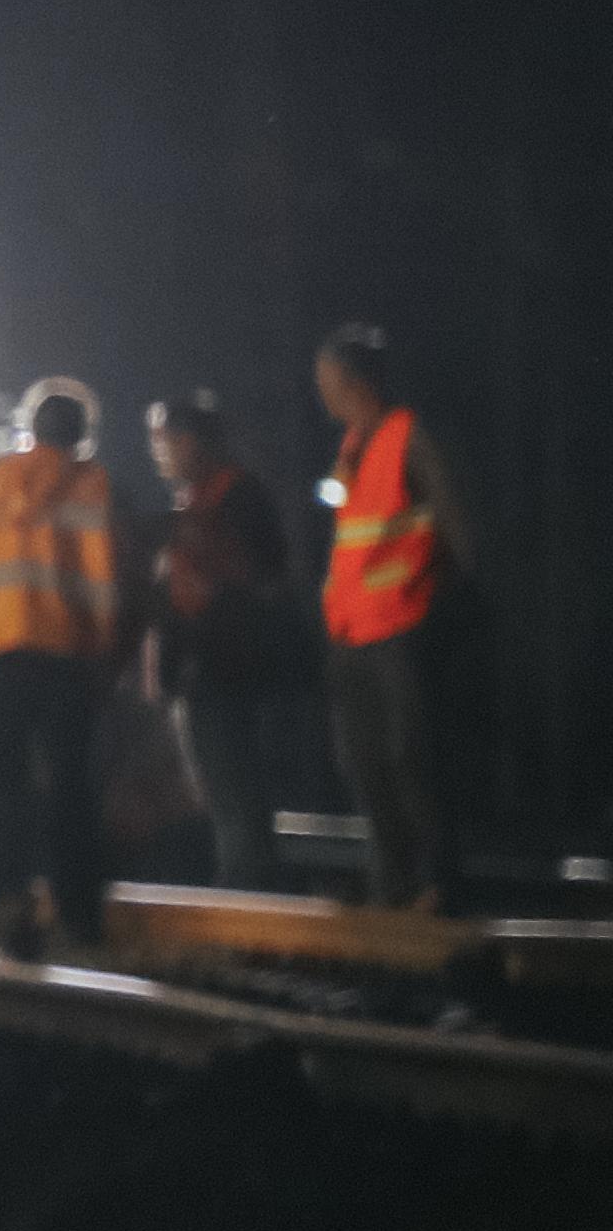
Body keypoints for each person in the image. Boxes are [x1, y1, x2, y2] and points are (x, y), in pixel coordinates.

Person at [0, 380, 126, 955]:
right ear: (82, 436)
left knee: (2, 786)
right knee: (71, 788)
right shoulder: (94, 488)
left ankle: (11, 906)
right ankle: (79, 917)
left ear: (29, 429)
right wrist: (104, 660)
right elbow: (107, 579)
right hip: (68, 660)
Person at [315, 324, 470, 914]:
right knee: (364, 762)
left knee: (412, 760)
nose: (321, 390)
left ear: (354, 381)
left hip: (401, 628)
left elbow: (455, 526)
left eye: (327, 377)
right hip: (354, 634)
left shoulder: (409, 437)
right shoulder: (352, 447)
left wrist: (445, 605)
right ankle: (394, 885)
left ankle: (437, 886)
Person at [139, 388, 311, 891]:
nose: (158, 454)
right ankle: (244, 883)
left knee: (235, 787)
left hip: (226, 670)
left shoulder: (233, 497)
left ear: (190, 441)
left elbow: (252, 581)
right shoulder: (200, 501)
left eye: (163, 442)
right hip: (209, 670)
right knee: (224, 790)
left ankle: (248, 889)